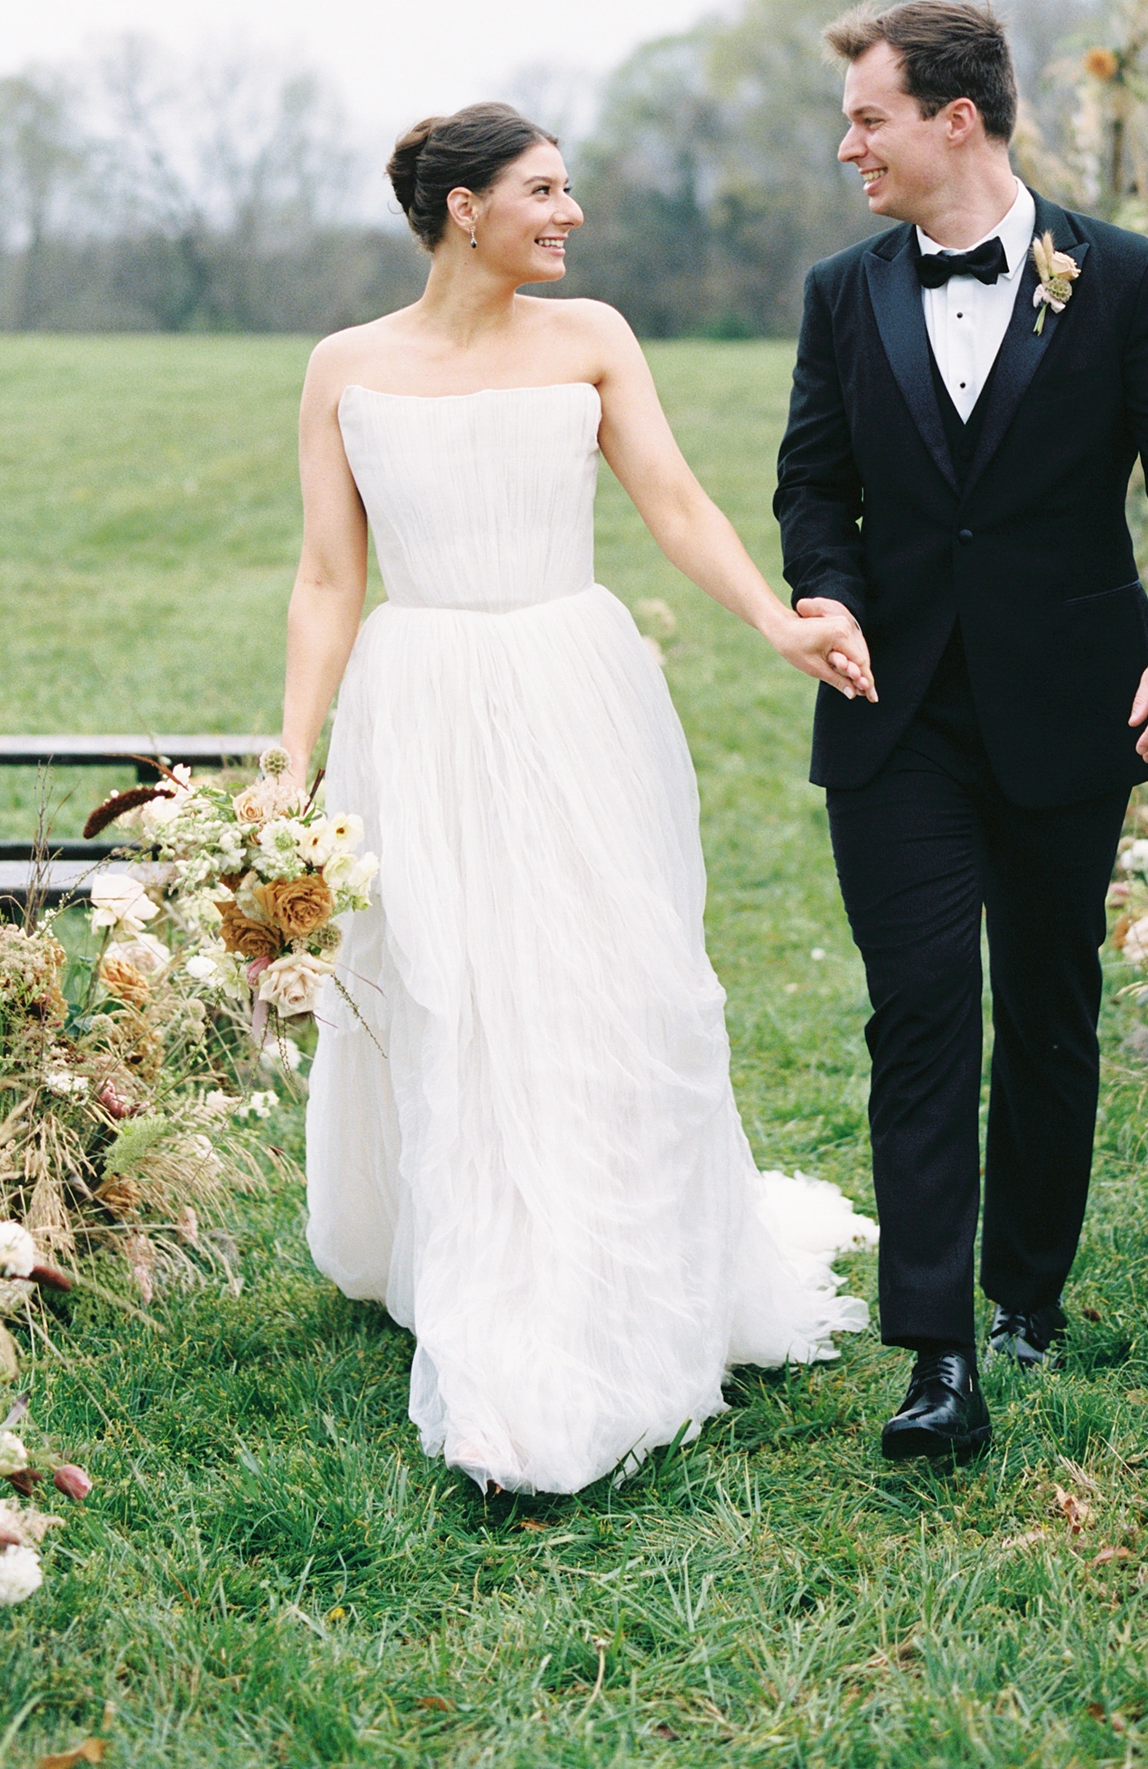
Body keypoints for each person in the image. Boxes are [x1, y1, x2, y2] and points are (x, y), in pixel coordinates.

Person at [286, 101, 880, 1495]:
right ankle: (485, 1288)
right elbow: (327, 576)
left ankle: (614, 1267)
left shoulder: (593, 337)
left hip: (570, 691)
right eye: (544, 191)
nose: (571, 215)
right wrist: (287, 762)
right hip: (419, 702)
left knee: (611, 976)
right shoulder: (345, 367)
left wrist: (780, 622)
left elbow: (676, 505)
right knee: (451, 989)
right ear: (465, 210)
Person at [775, 0, 1148, 1468]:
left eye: (869, 118)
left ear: (957, 119)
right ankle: (938, 1352)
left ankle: (1026, 1292)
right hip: (893, 710)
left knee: (1049, 1003)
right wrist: (826, 593)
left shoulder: (1123, 276)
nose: (849, 146)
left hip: (1071, 705)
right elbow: (813, 488)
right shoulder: (841, 294)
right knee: (920, 1009)